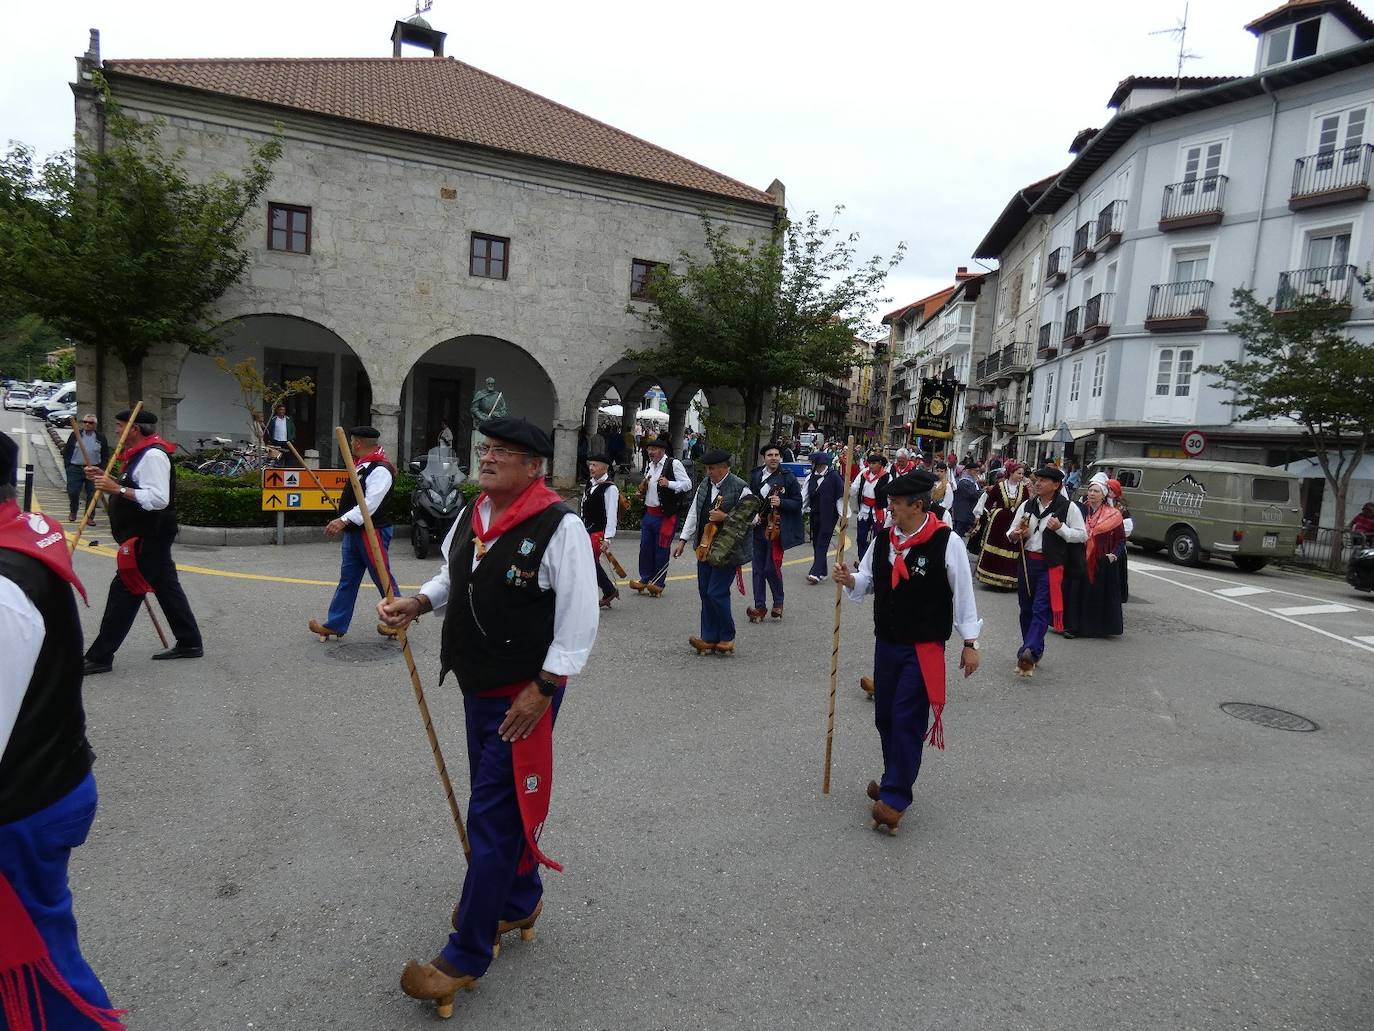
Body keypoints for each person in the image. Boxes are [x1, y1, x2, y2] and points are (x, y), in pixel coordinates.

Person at [377, 416, 598, 1021]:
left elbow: (581, 620)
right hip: (478, 687)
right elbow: (456, 574)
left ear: (536, 467)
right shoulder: (473, 514)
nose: (490, 457)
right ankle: (521, 897)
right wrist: (418, 601)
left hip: (523, 694)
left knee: (492, 814)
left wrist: (544, 689)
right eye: (487, 448)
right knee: (498, 802)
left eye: (506, 451)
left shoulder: (560, 526)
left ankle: (466, 954)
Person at [0, 433, 126, 1031]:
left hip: (25, 796)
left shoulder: (5, 579)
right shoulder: (24, 542)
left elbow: (154, 499)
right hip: (43, 776)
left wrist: (120, 489)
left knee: (34, 972)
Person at [832, 469, 982, 836]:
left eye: (896, 504)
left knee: (906, 718)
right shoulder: (884, 539)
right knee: (885, 716)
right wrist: (849, 579)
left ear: (917, 505)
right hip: (887, 641)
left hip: (924, 646)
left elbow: (963, 594)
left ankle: (896, 797)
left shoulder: (946, 542)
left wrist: (969, 643)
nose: (890, 510)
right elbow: (867, 578)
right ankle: (892, 777)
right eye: (889, 503)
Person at [82, 409, 203, 675]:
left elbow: (159, 499)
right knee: (166, 587)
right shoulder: (140, 455)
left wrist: (116, 489)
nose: (116, 430)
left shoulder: (153, 456)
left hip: (150, 535)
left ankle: (100, 656)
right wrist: (108, 479)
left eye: (119, 425)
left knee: (125, 591)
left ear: (133, 429)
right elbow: (135, 488)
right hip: (149, 534)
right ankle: (189, 641)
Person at [307, 426, 398, 641]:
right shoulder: (362, 465)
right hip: (355, 531)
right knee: (347, 579)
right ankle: (336, 623)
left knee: (381, 576)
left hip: (372, 531)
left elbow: (370, 504)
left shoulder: (380, 469)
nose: (349, 446)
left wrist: (343, 519)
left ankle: (399, 617)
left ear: (357, 443)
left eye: (351, 442)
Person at [1006, 466, 1087, 676]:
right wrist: (1016, 534)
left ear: (1056, 485)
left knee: (1041, 608)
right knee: (1025, 608)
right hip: (1027, 563)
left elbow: (1081, 535)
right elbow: (1011, 531)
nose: (1037, 483)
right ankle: (1034, 650)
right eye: (1036, 479)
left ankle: (1029, 650)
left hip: (1050, 565)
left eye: (1043, 480)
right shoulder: (1027, 504)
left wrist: (1060, 528)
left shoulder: (1068, 508)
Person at [672, 449, 753, 654]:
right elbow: (694, 512)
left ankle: (727, 636)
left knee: (716, 592)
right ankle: (708, 637)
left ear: (724, 468)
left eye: (712, 468)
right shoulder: (705, 485)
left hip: (727, 549)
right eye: (707, 468)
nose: (708, 472)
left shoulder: (740, 487)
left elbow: (754, 519)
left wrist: (725, 517)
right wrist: (683, 539)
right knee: (705, 593)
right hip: (704, 546)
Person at [627, 434, 690, 597]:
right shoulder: (651, 466)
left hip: (665, 516)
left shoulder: (673, 464)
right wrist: (642, 494)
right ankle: (645, 578)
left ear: (662, 450)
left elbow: (688, 484)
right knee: (645, 548)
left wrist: (669, 484)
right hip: (649, 513)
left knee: (661, 549)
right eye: (649, 449)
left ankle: (658, 583)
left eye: (653, 449)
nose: (650, 452)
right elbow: (652, 487)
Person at [746, 443, 802, 622]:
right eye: (770, 455)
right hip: (758, 527)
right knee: (757, 570)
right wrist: (752, 514)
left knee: (771, 568)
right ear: (764, 458)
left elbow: (798, 503)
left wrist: (782, 502)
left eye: (777, 455)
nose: (774, 458)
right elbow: (749, 499)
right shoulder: (756, 475)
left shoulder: (788, 477)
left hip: (777, 529)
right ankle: (759, 606)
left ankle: (778, 602)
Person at [1068, 481, 1126, 639]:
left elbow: (1121, 539)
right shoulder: (1079, 510)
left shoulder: (1113, 514)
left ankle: (1093, 628)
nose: (1092, 493)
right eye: (1090, 490)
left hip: (1101, 561)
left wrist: (1114, 554)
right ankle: (1072, 626)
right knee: (1076, 593)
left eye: (1096, 491)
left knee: (1095, 594)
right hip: (1079, 558)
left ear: (1104, 495)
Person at [973, 461, 1027, 589]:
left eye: (1022, 474)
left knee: (1011, 548)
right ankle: (992, 577)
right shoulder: (999, 486)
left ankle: (1009, 580)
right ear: (1011, 473)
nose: (1021, 476)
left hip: (1015, 522)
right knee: (996, 546)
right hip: (998, 523)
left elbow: (1026, 506)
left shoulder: (1023, 489)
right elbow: (988, 502)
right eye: (1019, 473)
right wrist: (991, 514)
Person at [582, 452, 620, 608]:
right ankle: (608, 589)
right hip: (587, 529)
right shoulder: (590, 483)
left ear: (604, 468)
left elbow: (611, 515)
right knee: (589, 563)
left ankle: (607, 590)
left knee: (588, 563)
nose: (591, 468)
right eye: (590, 465)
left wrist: (607, 538)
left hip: (599, 532)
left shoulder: (610, 488)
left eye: (595, 465)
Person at [802, 451, 844, 584]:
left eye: (817, 464)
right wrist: (800, 511)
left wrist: (844, 514)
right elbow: (805, 497)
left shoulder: (835, 476)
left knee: (822, 542)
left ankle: (815, 573)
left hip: (829, 516)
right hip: (815, 514)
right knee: (816, 543)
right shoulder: (810, 477)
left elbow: (840, 497)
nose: (815, 466)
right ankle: (823, 571)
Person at [62, 414, 108, 523]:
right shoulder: (75, 435)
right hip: (75, 468)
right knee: (73, 491)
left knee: (92, 494)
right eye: (85, 422)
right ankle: (73, 511)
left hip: (93, 469)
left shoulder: (100, 437)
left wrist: (101, 468)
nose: (87, 424)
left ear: (95, 425)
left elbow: (105, 454)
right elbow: (67, 451)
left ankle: (89, 517)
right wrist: (68, 466)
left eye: (90, 422)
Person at [849, 452, 891, 564]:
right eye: (870, 463)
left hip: (879, 510)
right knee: (861, 537)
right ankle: (862, 561)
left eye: (874, 463)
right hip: (864, 508)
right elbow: (854, 488)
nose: (871, 466)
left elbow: (890, 494)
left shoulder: (887, 476)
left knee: (878, 538)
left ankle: (875, 562)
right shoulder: (863, 474)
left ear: (880, 464)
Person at [950, 463, 981, 538]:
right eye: (975, 471)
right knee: (957, 536)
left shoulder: (972, 482)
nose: (977, 473)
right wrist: (984, 491)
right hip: (962, 514)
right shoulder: (964, 482)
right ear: (969, 471)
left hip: (967, 514)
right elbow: (973, 495)